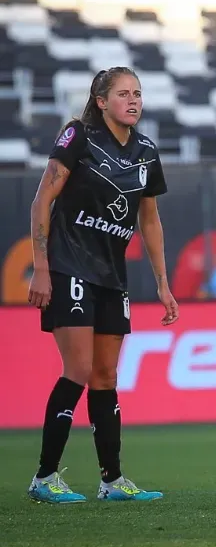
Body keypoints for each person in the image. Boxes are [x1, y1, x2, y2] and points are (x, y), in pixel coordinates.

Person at [26, 67, 179, 504]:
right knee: (77, 370)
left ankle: (112, 481)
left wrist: (163, 285)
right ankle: (44, 478)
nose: (133, 101)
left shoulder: (147, 151)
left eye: (138, 94)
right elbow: (43, 199)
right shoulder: (79, 136)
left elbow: (149, 220)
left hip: (112, 275)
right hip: (68, 265)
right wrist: (40, 265)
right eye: (123, 94)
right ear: (101, 100)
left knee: (105, 376)